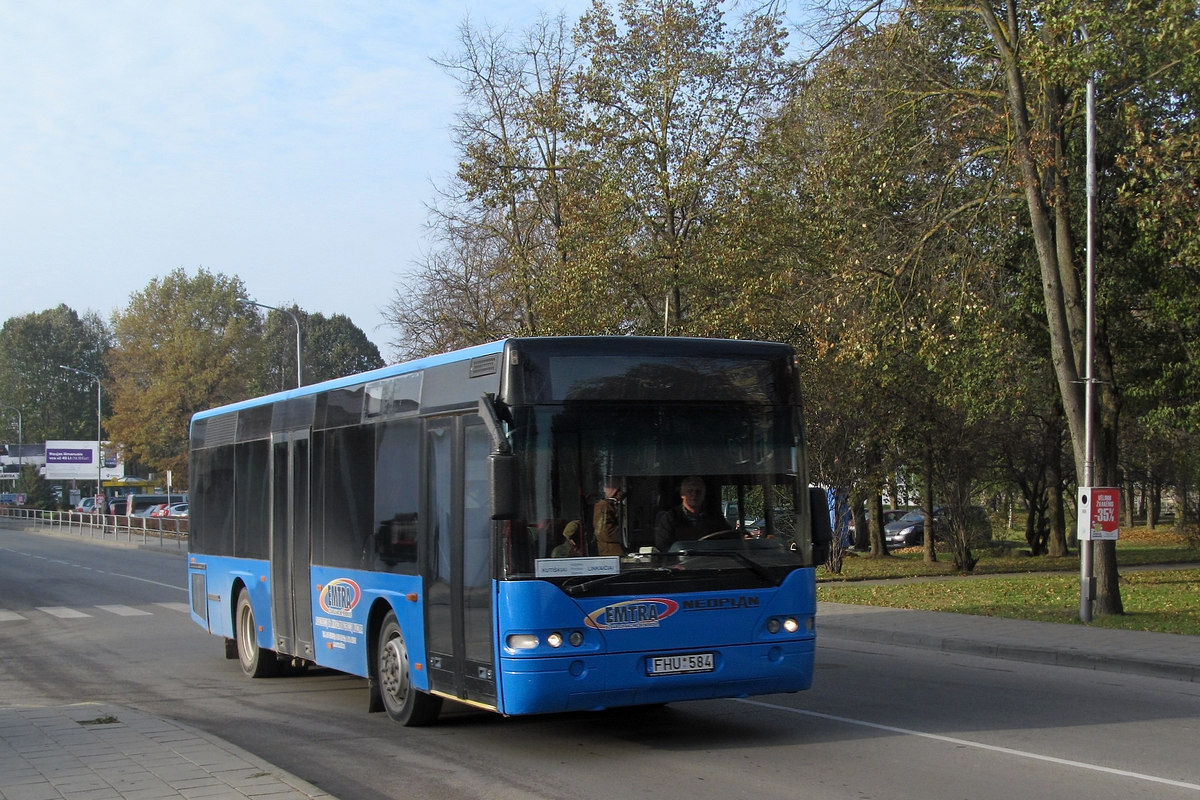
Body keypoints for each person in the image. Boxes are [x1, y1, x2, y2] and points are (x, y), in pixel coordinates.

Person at [654, 476, 729, 552]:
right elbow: (663, 547)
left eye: (698, 491)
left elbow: (728, 540)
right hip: (680, 562)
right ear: (682, 494)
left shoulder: (715, 518)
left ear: (704, 495)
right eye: (690, 491)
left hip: (712, 561)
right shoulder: (669, 519)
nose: (694, 494)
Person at [593, 478, 626, 556]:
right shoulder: (604, 506)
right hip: (612, 554)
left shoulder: (617, 505)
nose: (621, 493)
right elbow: (604, 532)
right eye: (620, 490)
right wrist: (626, 535)